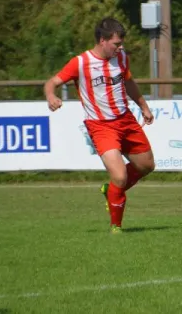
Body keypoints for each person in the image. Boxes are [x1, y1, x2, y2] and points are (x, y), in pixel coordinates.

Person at [44, 17, 155, 233]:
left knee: (146, 165)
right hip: (101, 126)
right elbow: (52, 82)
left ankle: (111, 190)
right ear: (102, 40)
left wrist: (143, 105)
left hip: (126, 120)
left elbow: (129, 82)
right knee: (120, 176)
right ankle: (116, 227)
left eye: (121, 43)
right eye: (116, 43)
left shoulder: (121, 57)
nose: (120, 47)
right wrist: (51, 96)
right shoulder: (81, 62)